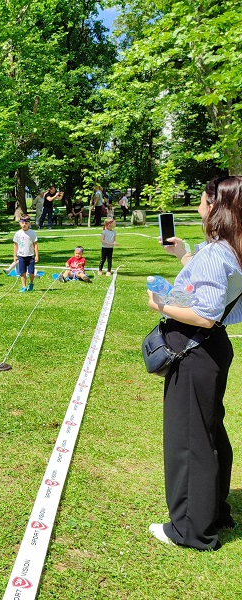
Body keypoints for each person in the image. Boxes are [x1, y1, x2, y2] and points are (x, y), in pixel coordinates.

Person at [146, 176, 242, 551]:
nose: (199, 207)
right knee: (209, 433)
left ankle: (189, 530)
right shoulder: (232, 249)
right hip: (211, 349)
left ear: (215, 206)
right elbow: (213, 295)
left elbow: (203, 314)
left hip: (196, 349)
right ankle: (214, 511)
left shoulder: (217, 252)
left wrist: (161, 304)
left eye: (202, 200)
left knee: (189, 441)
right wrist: (184, 254)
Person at [13, 215, 38, 292]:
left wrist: (36, 255)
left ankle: (31, 283)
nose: (24, 224)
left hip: (30, 255)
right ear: (20, 223)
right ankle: (23, 286)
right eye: (23, 223)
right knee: (22, 272)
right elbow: (15, 245)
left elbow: (35, 244)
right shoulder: (18, 233)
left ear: (29, 224)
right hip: (21, 255)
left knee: (31, 272)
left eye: (26, 223)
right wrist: (15, 255)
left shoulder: (32, 233)